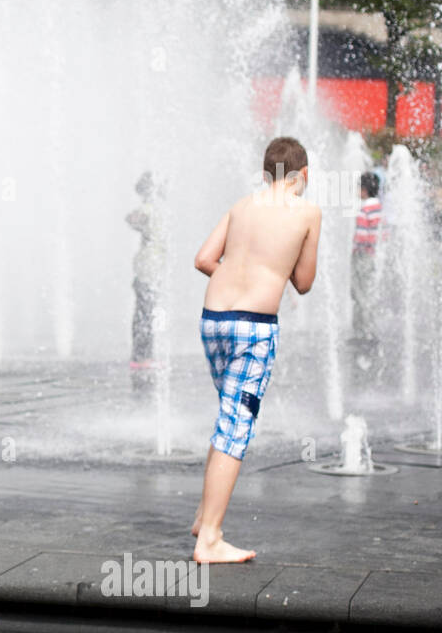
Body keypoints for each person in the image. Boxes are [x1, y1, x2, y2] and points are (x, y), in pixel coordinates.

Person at [189, 137, 320, 563]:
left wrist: (238, 274)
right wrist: (269, 272)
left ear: (266, 176)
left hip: (213, 320)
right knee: (235, 426)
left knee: (228, 415)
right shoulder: (307, 211)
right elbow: (303, 282)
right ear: (303, 176)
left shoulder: (242, 205)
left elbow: (204, 259)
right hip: (253, 327)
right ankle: (209, 539)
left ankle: (203, 516)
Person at [126, 171, 166, 390]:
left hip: (151, 266)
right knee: (145, 310)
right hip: (147, 267)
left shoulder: (156, 209)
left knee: (147, 310)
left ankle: (144, 355)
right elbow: (132, 218)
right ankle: (141, 356)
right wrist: (144, 227)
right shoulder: (150, 208)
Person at [350, 171, 382, 351]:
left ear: (364, 190)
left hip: (362, 256)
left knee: (359, 293)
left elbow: (361, 237)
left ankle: (364, 332)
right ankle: (369, 329)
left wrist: (356, 250)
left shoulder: (364, 209)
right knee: (368, 292)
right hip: (374, 255)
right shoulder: (379, 207)